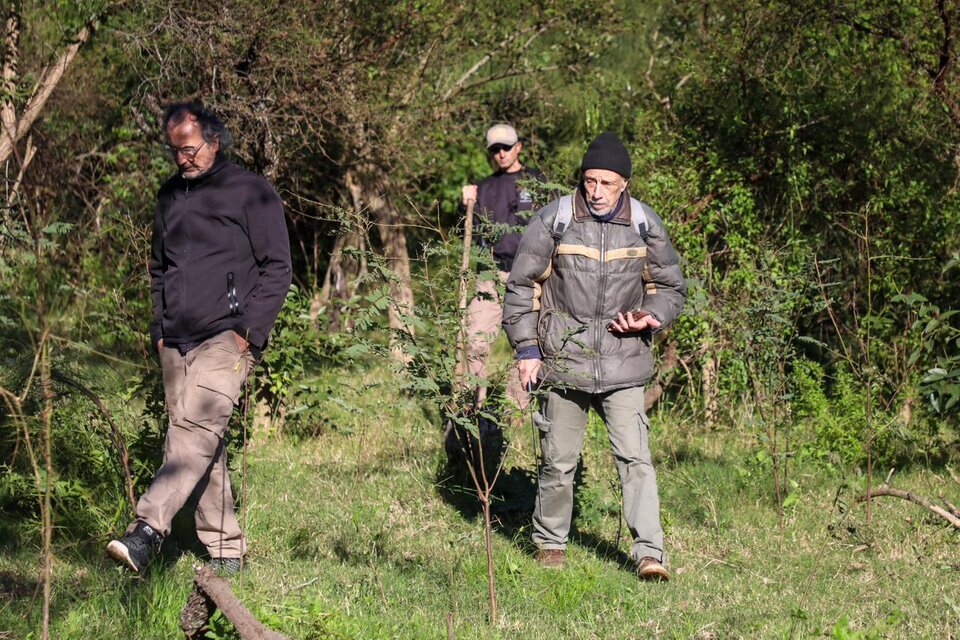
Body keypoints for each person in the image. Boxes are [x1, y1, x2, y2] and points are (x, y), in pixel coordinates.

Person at [107, 102, 292, 575]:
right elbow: (158, 268)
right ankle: (228, 551)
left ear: (213, 140)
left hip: (226, 338)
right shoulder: (169, 195)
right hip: (176, 340)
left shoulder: (250, 191)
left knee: (192, 434)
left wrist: (248, 332)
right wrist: (159, 330)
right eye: (175, 151)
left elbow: (277, 267)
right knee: (197, 442)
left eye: (189, 149)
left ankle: (147, 529)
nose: (182, 159)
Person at [502, 131, 685, 580]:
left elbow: (672, 288)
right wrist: (527, 349)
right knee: (558, 460)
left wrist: (650, 318)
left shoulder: (644, 223)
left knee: (635, 459)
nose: (596, 191)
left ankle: (649, 554)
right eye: (589, 181)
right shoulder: (555, 219)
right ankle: (550, 542)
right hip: (564, 359)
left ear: (624, 183)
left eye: (606, 183)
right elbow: (522, 285)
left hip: (624, 362)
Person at [461, 123, 547, 408]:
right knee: (473, 341)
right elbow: (467, 229)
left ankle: (516, 409)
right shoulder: (483, 187)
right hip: (491, 275)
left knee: (528, 343)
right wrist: (465, 204)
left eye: (506, 147)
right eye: (495, 149)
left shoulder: (537, 181)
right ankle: (471, 406)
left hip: (531, 275)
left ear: (518, 147)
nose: (501, 153)